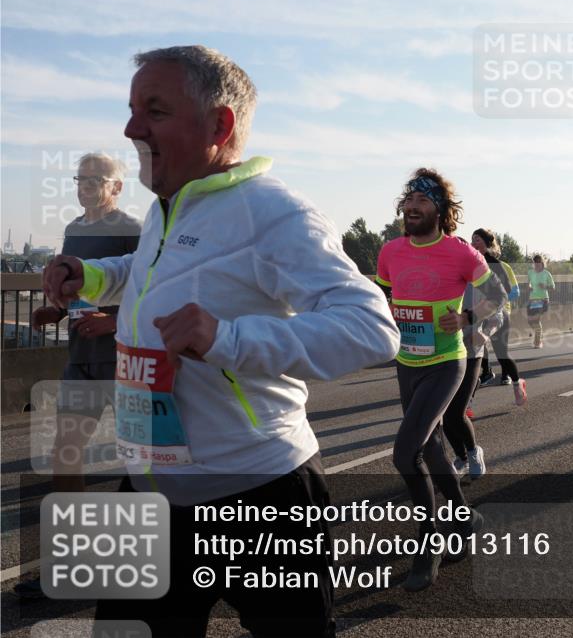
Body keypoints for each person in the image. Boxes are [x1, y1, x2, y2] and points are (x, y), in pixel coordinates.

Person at [43, 46, 401, 636]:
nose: (131, 128)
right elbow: (148, 268)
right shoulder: (167, 207)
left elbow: (370, 326)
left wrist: (229, 339)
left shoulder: (275, 212)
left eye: (153, 110)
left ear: (220, 125)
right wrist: (96, 277)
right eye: (132, 110)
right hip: (150, 483)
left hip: (259, 496)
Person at [376, 169, 509, 590]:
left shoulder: (461, 254)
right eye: (408, 200)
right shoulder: (389, 252)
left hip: (446, 362)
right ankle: (464, 516)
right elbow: (383, 296)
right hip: (406, 363)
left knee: (404, 454)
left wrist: (468, 316)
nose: (411, 207)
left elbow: (499, 297)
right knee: (430, 447)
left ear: (441, 210)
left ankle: (428, 541)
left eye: (422, 201)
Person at [17, 153, 142, 601]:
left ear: (117, 187)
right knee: (64, 454)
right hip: (80, 359)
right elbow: (78, 291)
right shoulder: (73, 230)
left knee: (142, 464)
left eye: (96, 179)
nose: (85, 186)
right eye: (80, 178)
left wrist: (112, 322)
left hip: (124, 361)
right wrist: (54, 310)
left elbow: (151, 290)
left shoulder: (134, 229)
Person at [443, 277, 504, 481]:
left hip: (471, 353)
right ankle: (462, 458)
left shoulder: (477, 284)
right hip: (443, 355)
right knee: (445, 414)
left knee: (457, 411)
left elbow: (498, 316)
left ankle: (473, 451)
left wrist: (486, 334)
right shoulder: (435, 280)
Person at [470, 229, 524, 396]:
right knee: (471, 355)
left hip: (497, 314)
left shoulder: (495, 264)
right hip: (475, 314)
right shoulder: (469, 261)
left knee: (502, 354)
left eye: (477, 239)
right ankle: (468, 401)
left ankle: (517, 384)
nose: (473, 242)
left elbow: (507, 290)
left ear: (486, 243)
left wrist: (489, 298)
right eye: (472, 239)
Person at [527, 254, 555, 348]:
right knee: (530, 320)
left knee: (536, 319)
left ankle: (537, 342)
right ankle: (539, 334)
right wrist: (529, 287)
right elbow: (529, 284)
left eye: (538, 262)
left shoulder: (547, 273)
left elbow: (553, 287)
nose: (537, 264)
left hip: (543, 300)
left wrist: (545, 287)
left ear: (542, 263)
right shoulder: (530, 272)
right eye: (535, 262)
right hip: (532, 299)